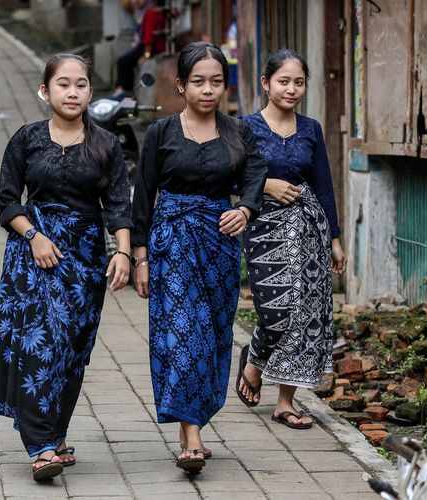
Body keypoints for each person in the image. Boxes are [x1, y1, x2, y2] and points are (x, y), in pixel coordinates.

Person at [0, 53, 133, 481]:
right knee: (40, 345)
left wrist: (122, 254)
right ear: (45, 91)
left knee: (72, 350)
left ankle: (55, 434)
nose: (73, 92)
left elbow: (119, 206)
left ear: (91, 91)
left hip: (85, 260)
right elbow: (7, 200)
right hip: (34, 255)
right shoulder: (27, 139)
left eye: (81, 85)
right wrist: (33, 236)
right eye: (64, 84)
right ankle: (40, 448)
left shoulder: (106, 144)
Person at [132, 42, 267, 473]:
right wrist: (139, 257)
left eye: (216, 82)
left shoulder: (238, 131)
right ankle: (191, 437)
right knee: (184, 336)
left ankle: (197, 415)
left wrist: (245, 209)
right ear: (180, 85)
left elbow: (255, 174)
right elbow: (143, 196)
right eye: (198, 82)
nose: (208, 90)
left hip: (220, 246)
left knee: (212, 337)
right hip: (171, 243)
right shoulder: (162, 133)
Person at [235, 49, 347, 429]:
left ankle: (285, 401)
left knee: (306, 312)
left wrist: (334, 238)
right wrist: (266, 183)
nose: (292, 89)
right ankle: (253, 360)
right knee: (276, 311)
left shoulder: (311, 129)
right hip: (264, 226)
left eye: (299, 82)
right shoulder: (244, 128)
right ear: (266, 83)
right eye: (284, 81)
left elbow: (323, 185)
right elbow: (229, 177)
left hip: (309, 227)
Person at [111, 0, 165, 100]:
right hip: (144, 45)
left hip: (152, 48)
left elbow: (149, 37)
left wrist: (146, 56)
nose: (135, 1)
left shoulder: (151, 11)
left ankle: (125, 91)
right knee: (123, 61)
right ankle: (120, 88)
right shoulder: (143, 11)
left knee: (123, 62)